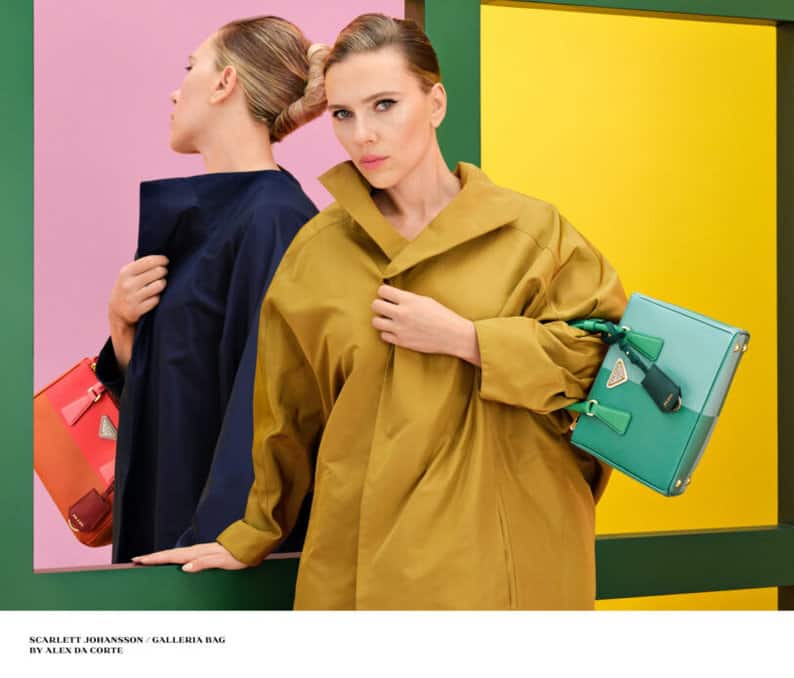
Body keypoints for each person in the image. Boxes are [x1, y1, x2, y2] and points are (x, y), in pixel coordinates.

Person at [134, 13, 627, 610]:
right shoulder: (317, 252)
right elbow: (285, 417)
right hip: (362, 565)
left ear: (435, 103)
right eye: (343, 114)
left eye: (385, 105)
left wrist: (469, 340)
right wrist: (249, 534)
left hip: (510, 557)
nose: (363, 134)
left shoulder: (533, 234)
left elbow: (607, 371)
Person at [97, 16, 327, 562]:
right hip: (175, 528)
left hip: (219, 555)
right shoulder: (217, 216)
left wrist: (227, 537)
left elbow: (270, 402)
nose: (175, 92)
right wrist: (123, 329)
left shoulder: (275, 218)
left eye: (190, 67)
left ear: (225, 82)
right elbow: (183, 389)